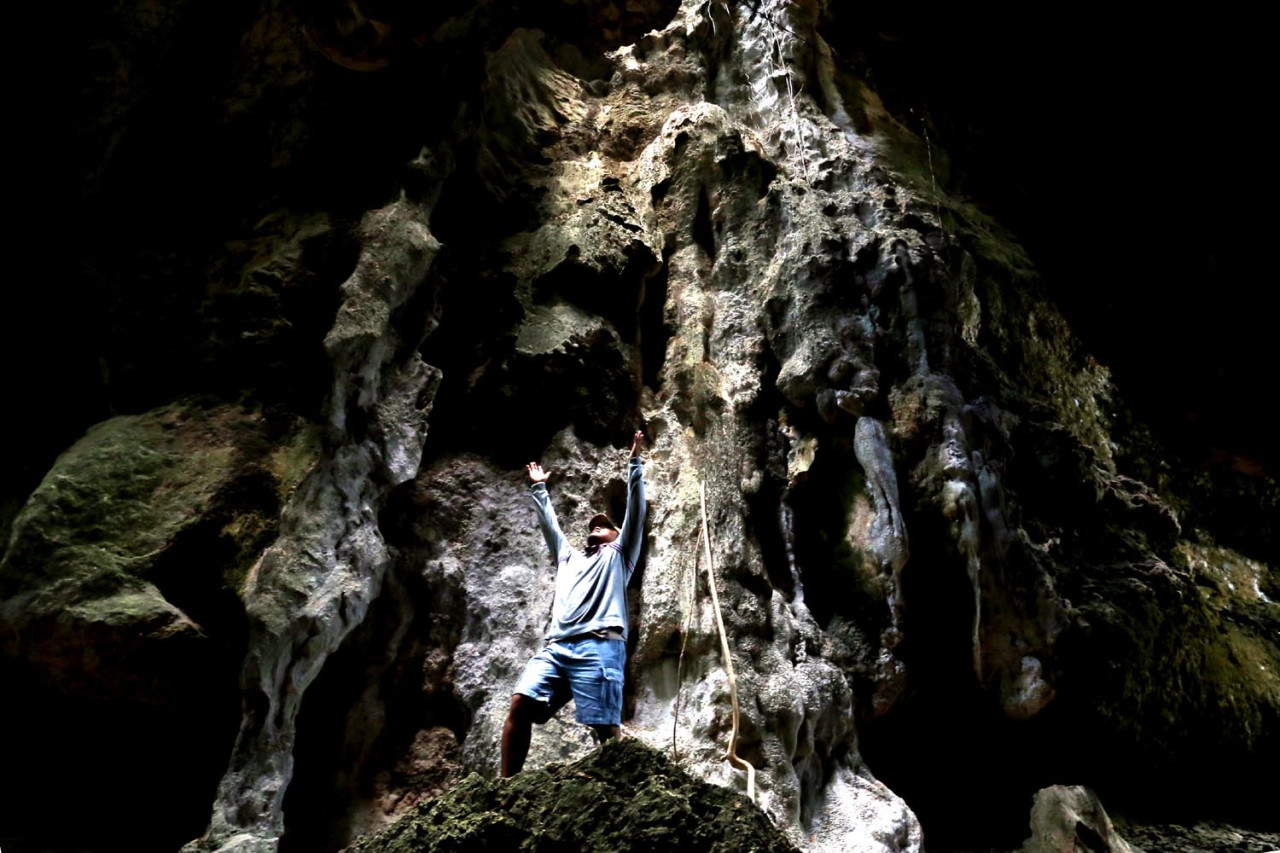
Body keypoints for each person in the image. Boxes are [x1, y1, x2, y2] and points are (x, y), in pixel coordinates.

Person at [500, 431, 647, 777]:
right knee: (520, 704)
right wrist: (539, 488)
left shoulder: (619, 556)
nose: (597, 527)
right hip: (558, 648)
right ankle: (503, 788)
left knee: (604, 727)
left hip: (600, 645)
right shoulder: (568, 558)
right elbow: (549, 526)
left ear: (616, 536)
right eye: (593, 526)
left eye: (605, 526)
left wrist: (635, 464)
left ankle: (621, 791)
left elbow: (637, 512)